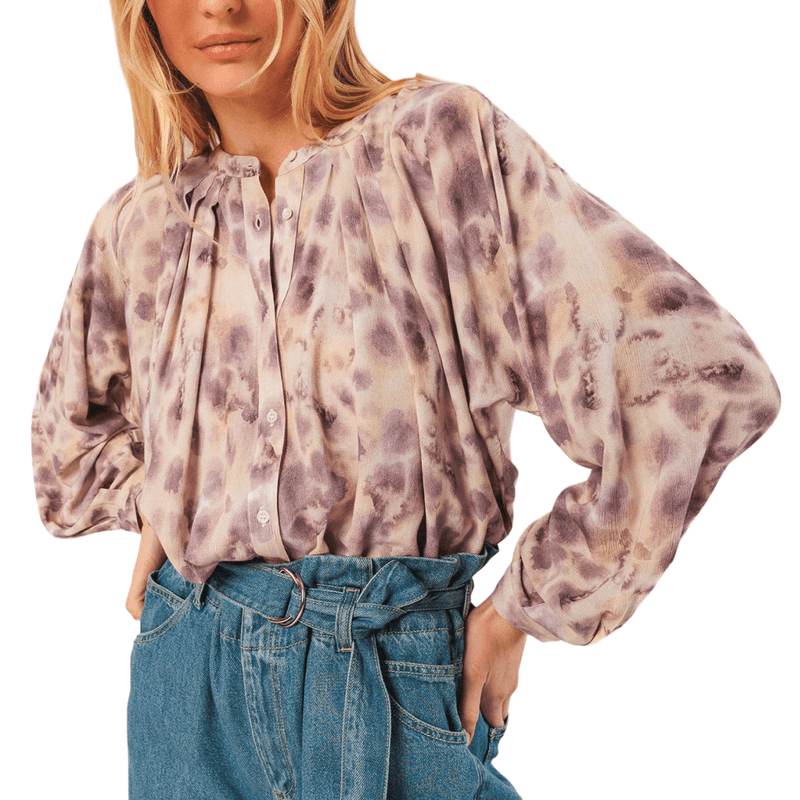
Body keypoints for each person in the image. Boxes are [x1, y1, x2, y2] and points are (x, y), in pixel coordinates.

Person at [29, 1, 781, 798]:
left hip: (396, 673)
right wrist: (166, 496)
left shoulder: (436, 148)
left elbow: (696, 374)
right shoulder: (144, 223)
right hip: (189, 689)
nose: (219, 5)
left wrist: (523, 609)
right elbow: (66, 458)